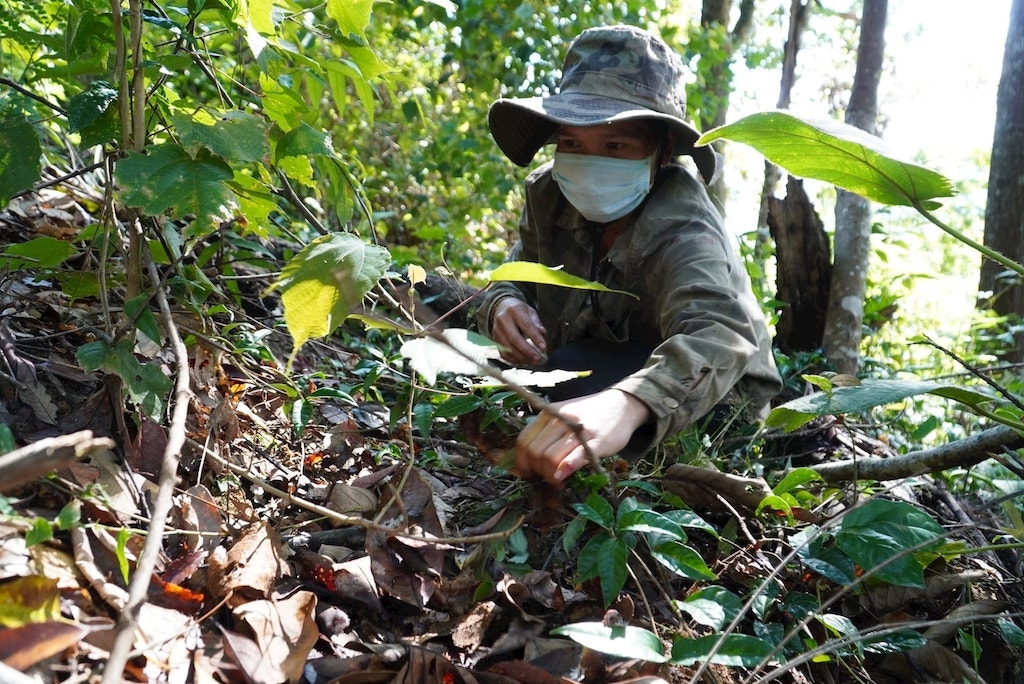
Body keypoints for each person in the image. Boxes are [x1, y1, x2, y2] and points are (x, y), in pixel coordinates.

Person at [476, 25, 783, 488]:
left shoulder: (683, 227)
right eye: (572, 143)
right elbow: (517, 270)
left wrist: (625, 404)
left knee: (570, 379)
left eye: (615, 145)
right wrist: (502, 304)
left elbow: (720, 332)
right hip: (598, 357)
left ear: (659, 154)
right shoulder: (549, 195)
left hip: (716, 399)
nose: (588, 158)